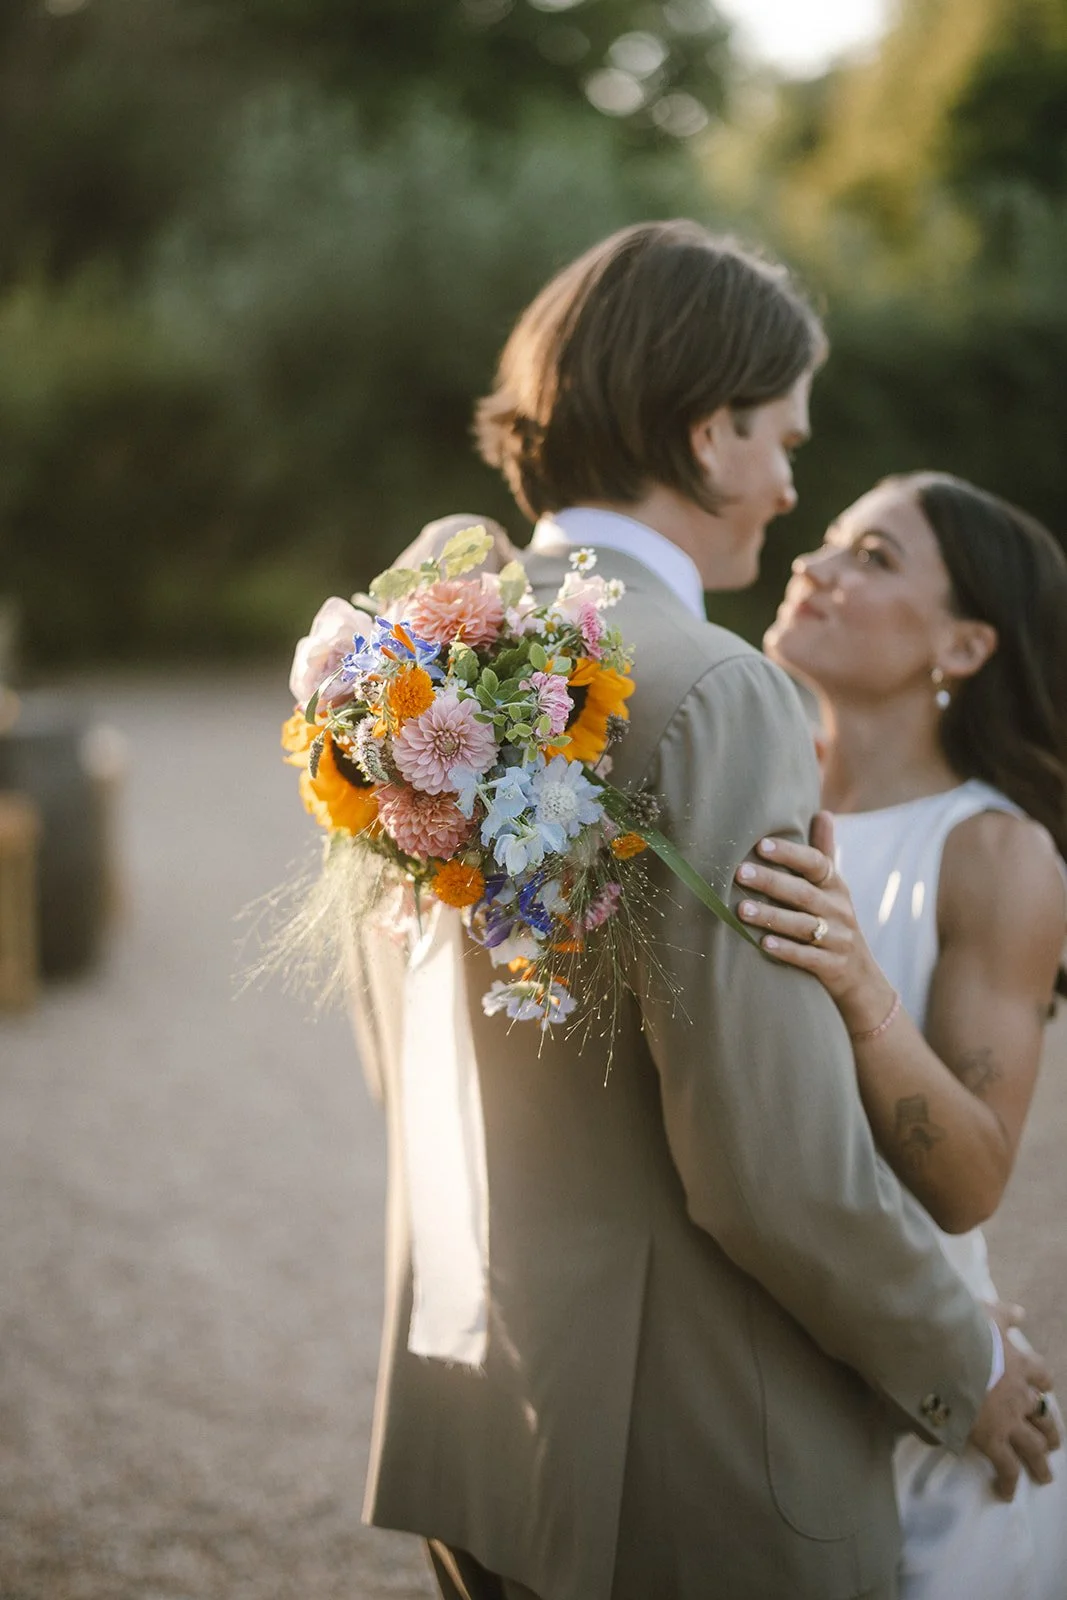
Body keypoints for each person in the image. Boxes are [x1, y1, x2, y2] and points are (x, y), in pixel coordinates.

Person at [349, 225, 1058, 1600]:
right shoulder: (710, 689)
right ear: (708, 432)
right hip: (683, 1459)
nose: (789, 490)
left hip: (479, 1402)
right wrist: (956, 1362)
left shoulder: (422, 648)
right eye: (781, 441)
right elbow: (765, 1157)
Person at [739, 470, 1067, 1597]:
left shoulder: (991, 853)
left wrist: (855, 979)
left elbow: (971, 1176)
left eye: (872, 558)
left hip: (932, 1416)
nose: (812, 565)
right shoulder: (750, 793)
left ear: (964, 648)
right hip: (762, 1370)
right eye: (828, 541)